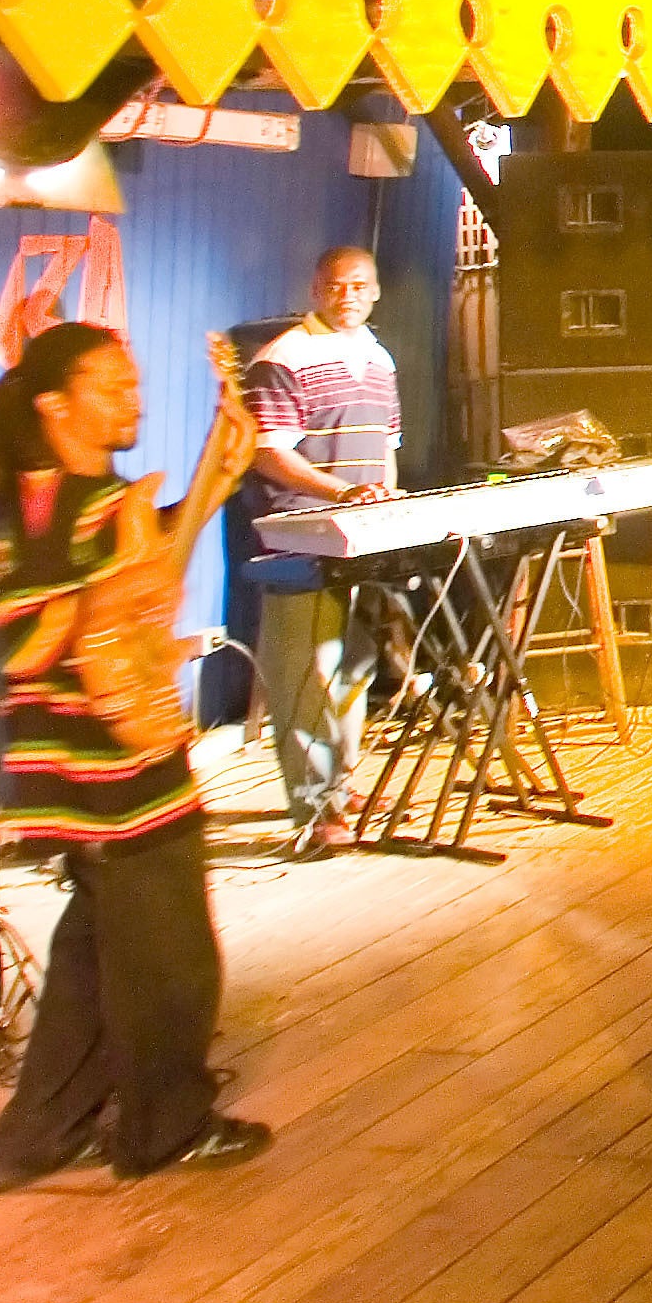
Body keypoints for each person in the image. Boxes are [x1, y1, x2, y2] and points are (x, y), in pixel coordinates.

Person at [0, 319, 269, 1189]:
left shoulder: (101, 498)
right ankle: (162, 1129)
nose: (131, 397)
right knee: (170, 953)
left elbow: (147, 580)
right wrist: (106, 591)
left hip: (108, 755)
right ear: (55, 404)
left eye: (134, 383)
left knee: (101, 946)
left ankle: (33, 1138)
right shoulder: (45, 500)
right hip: (105, 761)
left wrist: (216, 479)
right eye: (111, 385)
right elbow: (22, 639)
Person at [238, 242, 403, 859]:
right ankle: (314, 810)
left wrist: (387, 499)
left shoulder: (379, 358)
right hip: (302, 536)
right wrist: (344, 493)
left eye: (361, 286)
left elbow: (385, 445)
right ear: (316, 288)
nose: (349, 296)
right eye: (337, 286)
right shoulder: (283, 358)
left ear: (377, 291)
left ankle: (344, 785)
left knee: (353, 666)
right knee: (306, 675)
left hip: (362, 537)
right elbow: (268, 451)